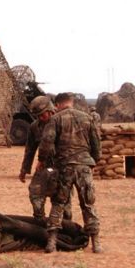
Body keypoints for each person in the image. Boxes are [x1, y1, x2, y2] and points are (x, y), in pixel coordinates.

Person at [39, 92, 102, 253]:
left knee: (59, 203)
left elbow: (47, 142)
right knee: (88, 204)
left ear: (58, 104)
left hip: (64, 167)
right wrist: (92, 161)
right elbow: (97, 145)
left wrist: (42, 161)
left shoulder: (56, 119)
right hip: (84, 167)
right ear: (71, 102)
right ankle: (96, 243)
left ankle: (51, 243)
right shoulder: (87, 118)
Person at [18, 95, 64, 223]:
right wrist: (24, 169)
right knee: (35, 192)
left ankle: (65, 229)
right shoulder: (35, 127)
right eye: (37, 116)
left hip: (62, 167)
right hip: (45, 166)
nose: (40, 118)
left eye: (42, 115)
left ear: (51, 110)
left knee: (61, 201)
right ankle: (41, 224)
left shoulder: (62, 122)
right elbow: (30, 149)